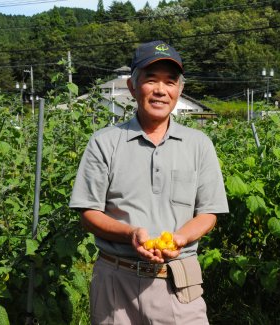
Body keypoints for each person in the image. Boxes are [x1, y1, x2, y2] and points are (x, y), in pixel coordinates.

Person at [69, 40, 229, 325]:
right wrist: (130, 233)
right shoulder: (105, 142)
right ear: (132, 87)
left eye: (170, 82)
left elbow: (209, 212)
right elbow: (88, 212)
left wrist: (180, 238)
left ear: (179, 90)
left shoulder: (198, 144)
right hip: (116, 283)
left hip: (179, 283)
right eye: (150, 80)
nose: (160, 90)